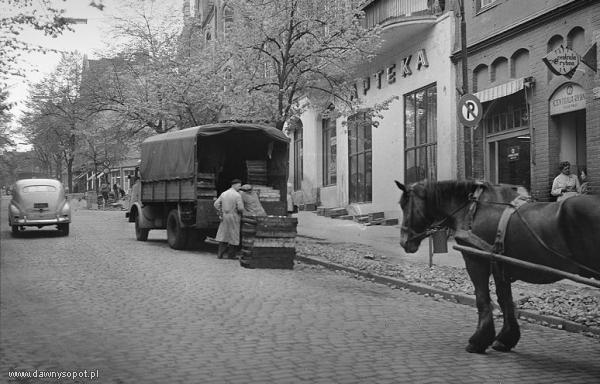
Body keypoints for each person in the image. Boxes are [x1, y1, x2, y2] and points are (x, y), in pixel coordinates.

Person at [214, 179, 244, 259]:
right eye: (239, 186)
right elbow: (241, 208)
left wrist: (221, 211)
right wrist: (239, 211)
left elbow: (216, 204)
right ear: (234, 185)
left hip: (225, 216)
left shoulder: (224, 193)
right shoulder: (237, 195)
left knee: (223, 234)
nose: (240, 187)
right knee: (233, 235)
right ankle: (231, 255)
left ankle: (220, 254)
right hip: (234, 216)